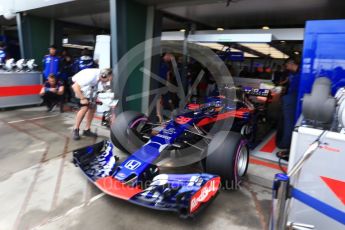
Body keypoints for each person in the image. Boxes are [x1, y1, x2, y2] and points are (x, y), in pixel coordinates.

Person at [71, 68, 112, 140]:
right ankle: (75, 129)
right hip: (78, 87)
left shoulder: (101, 76)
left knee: (92, 107)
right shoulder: (90, 76)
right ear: (103, 76)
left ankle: (87, 130)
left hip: (89, 87)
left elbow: (102, 88)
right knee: (85, 108)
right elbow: (75, 86)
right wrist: (83, 98)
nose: (107, 82)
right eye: (107, 80)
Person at [276, 58, 300, 160]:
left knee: (290, 125)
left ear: (291, 64)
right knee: (287, 124)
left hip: (295, 103)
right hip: (290, 101)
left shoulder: (301, 74)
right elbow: (288, 83)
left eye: (286, 65)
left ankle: (289, 148)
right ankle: (288, 146)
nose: (286, 67)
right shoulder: (292, 74)